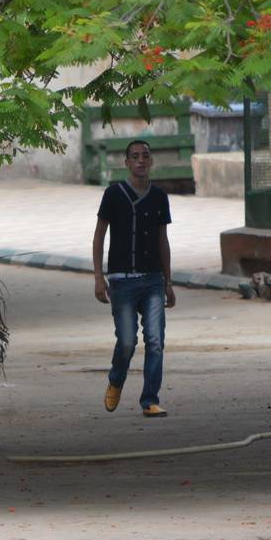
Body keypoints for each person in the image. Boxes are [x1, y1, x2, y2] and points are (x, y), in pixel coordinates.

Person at [91, 139, 177, 418]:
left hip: (152, 280)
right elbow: (99, 235)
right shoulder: (113, 194)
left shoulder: (159, 197)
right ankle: (116, 378)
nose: (141, 160)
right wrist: (98, 276)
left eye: (145, 156)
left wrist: (168, 282)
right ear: (127, 163)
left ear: (151, 161)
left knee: (155, 339)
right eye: (135, 156)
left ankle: (150, 399)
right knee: (127, 341)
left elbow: (163, 240)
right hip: (122, 281)